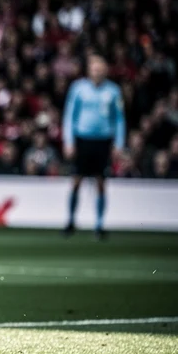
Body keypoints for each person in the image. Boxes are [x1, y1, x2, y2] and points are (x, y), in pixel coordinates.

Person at [62, 51, 126, 240]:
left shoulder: (114, 91)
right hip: (82, 139)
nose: (97, 72)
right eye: (94, 68)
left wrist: (119, 143)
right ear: (89, 70)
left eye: (100, 68)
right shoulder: (78, 88)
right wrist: (69, 141)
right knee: (76, 180)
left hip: (103, 141)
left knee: (100, 182)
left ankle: (99, 225)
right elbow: (69, 115)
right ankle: (71, 221)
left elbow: (120, 119)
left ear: (105, 70)